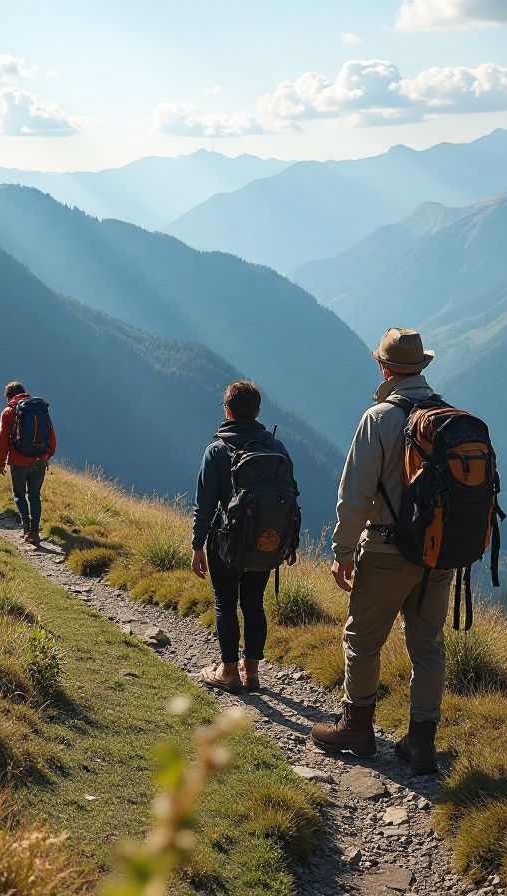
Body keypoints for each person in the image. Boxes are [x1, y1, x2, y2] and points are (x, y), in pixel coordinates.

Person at [311, 327, 451, 774]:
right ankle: (422, 743)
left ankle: (357, 727)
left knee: (362, 639)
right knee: (427, 645)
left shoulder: (379, 418)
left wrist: (343, 551)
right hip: (438, 555)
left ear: (385, 368)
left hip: (387, 552)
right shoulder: (447, 416)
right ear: (422, 367)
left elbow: (355, 493)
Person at [191, 379, 297, 695]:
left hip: (225, 542)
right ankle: (251, 673)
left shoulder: (217, 450)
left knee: (226, 602)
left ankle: (227, 671)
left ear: (227, 411)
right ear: (258, 411)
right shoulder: (276, 447)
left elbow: (205, 505)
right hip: (267, 539)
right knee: (254, 603)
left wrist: (197, 545)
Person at [0, 382, 56, 546]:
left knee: (19, 495)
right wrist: (47, 456)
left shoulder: (9, 412)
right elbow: (51, 435)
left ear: (9, 396)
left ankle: (26, 526)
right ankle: (35, 533)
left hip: (18, 461)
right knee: (35, 496)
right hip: (40, 460)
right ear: (24, 392)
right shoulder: (40, 409)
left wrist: (2, 461)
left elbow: (2, 440)